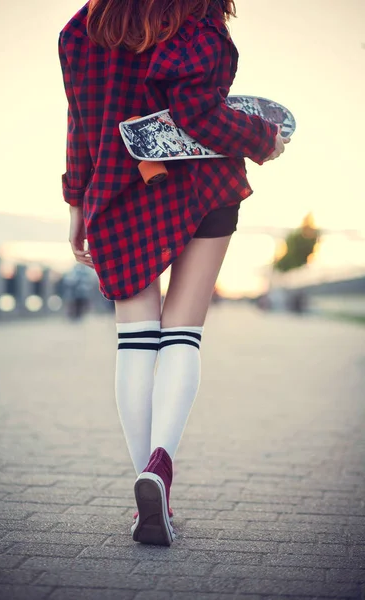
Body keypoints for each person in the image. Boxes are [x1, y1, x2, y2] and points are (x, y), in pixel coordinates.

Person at [58, 0, 290, 546]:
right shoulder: (196, 17)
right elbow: (196, 112)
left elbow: (81, 120)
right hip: (202, 186)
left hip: (116, 190)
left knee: (135, 342)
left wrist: (75, 201)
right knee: (183, 334)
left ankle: (147, 494)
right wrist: (262, 140)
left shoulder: (81, 29)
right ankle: (159, 471)